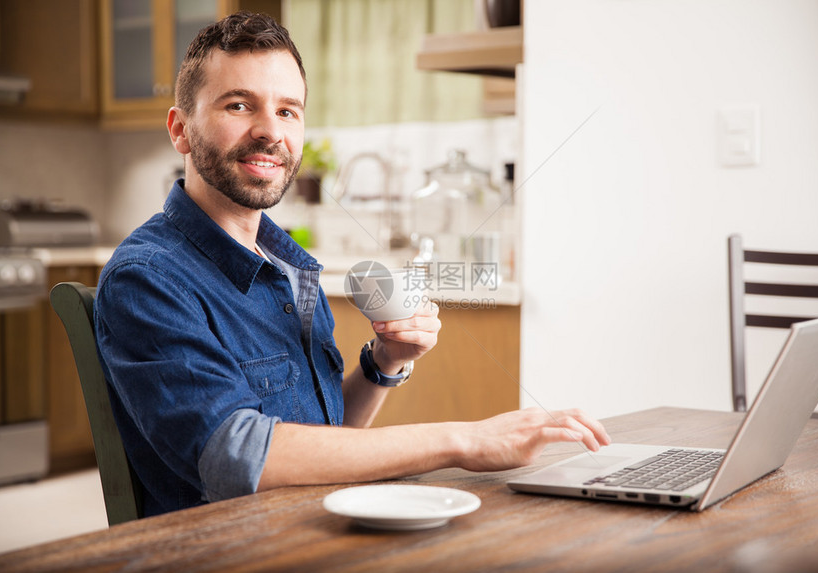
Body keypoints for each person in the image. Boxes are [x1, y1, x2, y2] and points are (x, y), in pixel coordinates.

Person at [94, 11, 611, 517]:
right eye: (238, 105)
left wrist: (383, 362)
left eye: (288, 111)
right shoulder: (148, 278)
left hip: (315, 528)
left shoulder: (289, 266)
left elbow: (324, 442)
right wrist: (465, 439)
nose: (269, 131)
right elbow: (237, 455)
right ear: (180, 130)